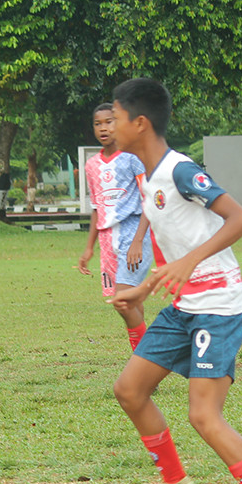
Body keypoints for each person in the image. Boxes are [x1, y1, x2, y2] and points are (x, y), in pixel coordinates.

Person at [106, 78, 242, 484]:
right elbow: (179, 245)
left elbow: (240, 218)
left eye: (114, 118)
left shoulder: (181, 171)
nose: (107, 126)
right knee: (130, 390)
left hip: (218, 307)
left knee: (204, 415)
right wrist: (145, 287)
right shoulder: (148, 179)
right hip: (184, 305)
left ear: (140, 123)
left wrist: (189, 262)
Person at [78, 103, 154, 351]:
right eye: (98, 123)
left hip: (134, 232)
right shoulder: (91, 165)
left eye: (109, 121)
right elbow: (97, 207)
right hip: (107, 240)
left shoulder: (133, 157)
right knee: (130, 303)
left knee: (123, 301)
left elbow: (149, 199)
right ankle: (146, 361)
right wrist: (89, 248)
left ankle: (145, 360)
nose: (103, 128)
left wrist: (138, 241)